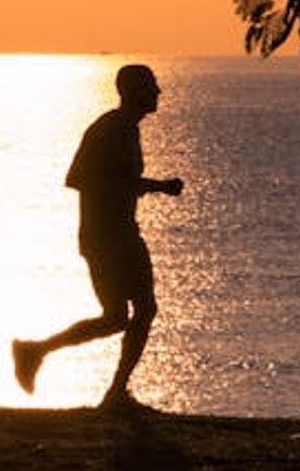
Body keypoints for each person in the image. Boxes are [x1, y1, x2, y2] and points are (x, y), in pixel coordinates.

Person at [13, 64, 183, 410]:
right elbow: (82, 179)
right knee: (117, 316)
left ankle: (115, 392)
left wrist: (143, 187)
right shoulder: (107, 129)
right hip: (103, 238)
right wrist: (157, 186)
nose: (158, 93)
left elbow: (117, 181)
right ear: (132, 91)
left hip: (124, 234)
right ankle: (37, 352)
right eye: (151, 86)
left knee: (142, 310)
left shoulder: (129, 130)